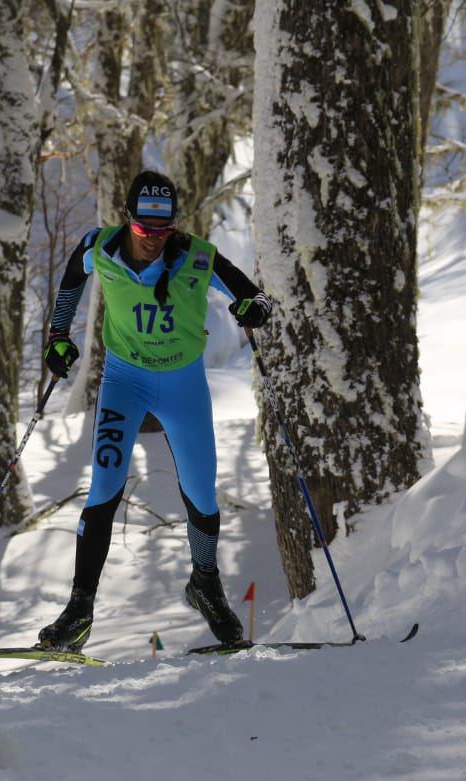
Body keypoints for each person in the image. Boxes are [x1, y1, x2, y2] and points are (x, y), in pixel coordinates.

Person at [37, 170, 272, 651]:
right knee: (105, 485)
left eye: (163, 230)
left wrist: (255, 308)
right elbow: (72, 280)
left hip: (183, 385)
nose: (153, 239)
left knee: (202, 494)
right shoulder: (100, 246)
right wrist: (58, 336)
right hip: (124, 381)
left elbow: (254, 294)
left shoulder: (197, 257)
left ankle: (204, 584)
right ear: (128, 220)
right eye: (144, 229)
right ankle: (79, 609)